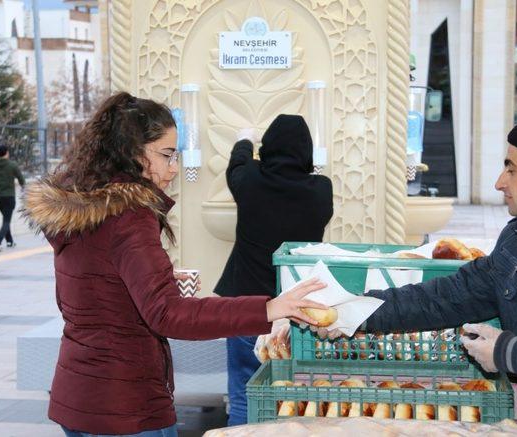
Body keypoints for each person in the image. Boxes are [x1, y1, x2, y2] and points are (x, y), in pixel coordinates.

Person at [22, 92, 327, 437]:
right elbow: (169, 315)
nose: (173, 168)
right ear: (132, 151)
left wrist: (151, 279)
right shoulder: (128, 218)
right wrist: (269, 308)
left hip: (77, 397)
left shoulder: (80, 211)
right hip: (126, 408)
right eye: (167, 155)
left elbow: (92, 293)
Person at [316, 97, 517, 436]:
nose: (500, 182)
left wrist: (507, 351)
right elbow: (448, 296)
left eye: (512, 169)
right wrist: (355, 310)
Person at [214, 114, 334, 426]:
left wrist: (245, 139)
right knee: (293, 397)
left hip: (246, 308)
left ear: (267, 148)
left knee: (242, 393)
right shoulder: (321, 190)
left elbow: (236, 165)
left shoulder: (250, 181)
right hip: (295, 315)